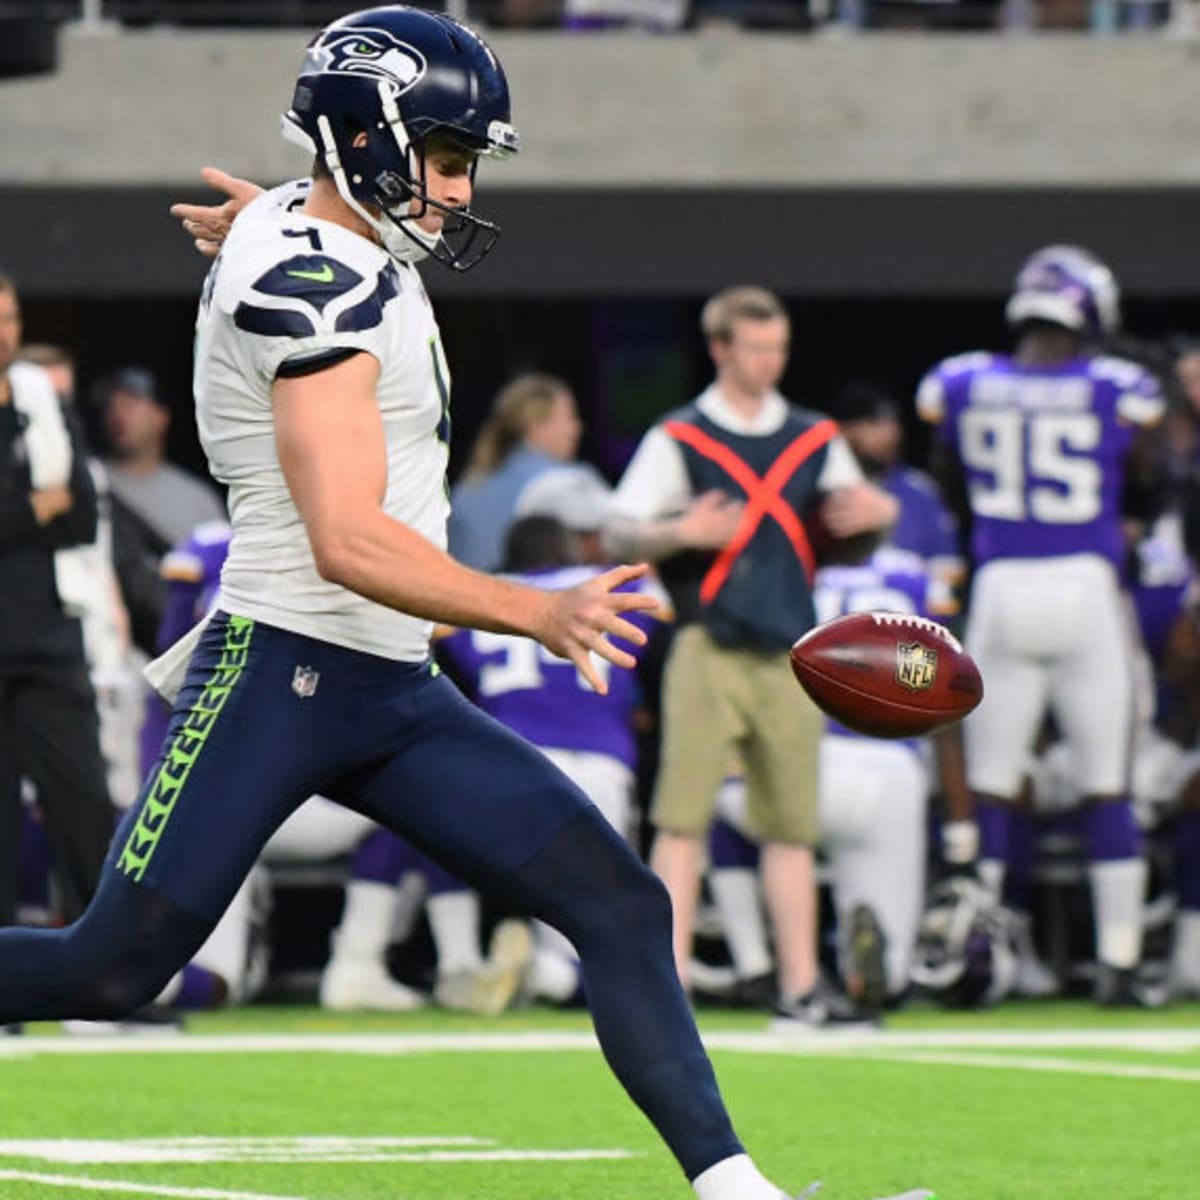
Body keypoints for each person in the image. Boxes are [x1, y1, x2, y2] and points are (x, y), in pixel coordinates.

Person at [0, 11, 929, 1200]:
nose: (460, 187)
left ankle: (736, 1191)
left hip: (384, 687)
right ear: (369, 145)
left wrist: (261, 224)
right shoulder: (311, 285)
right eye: (445, 156)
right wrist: (528, 611)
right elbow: (345, 540)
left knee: (620, 903)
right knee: (110, 970)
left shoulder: (301, 222)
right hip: (283, 666)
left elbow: (300, 221)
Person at [604, 285, 899, 1028]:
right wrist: (678, 534)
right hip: (709, 640)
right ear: (722, 349)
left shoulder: (811, 434)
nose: (770, 363)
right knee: (680, 820)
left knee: (792, 826)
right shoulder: (683, 435)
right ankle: (665, 984)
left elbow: (852, 521)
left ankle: (799, 984)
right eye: (757, 348)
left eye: (779, 349)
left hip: (790, 651)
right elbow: (618, 530)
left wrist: (876, 514)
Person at [916, 244, 1166, 1007]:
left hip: (1001, 584)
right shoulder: (1119, 387)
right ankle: (1118, 960)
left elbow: (948, 481)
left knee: (990, 786)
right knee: (1107, 783)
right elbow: (1150, 482)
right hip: (1085, 585)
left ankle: (977, 954)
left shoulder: (960, 381)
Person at [439, 512, 669, 1005]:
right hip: (598, 768)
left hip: (510, 762)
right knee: (597, 908)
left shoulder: (490, 594)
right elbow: (666, 628)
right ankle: (554, 973)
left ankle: (457, 962)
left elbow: (431, 637)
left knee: (430, 829)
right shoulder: (599, 588)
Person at [0, 273, 116, 940]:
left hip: (49, 631)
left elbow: (77, 513)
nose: (6, 333)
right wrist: (32, 507)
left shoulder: (42, 396)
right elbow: (49, 504)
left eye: (12, 318)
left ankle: (105, 976)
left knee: (84, 806)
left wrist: (26, 512)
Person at [97, 365, 225, 656]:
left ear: (160, 416)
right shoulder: (93, 482)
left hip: (180, 645)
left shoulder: (196, 497)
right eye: (112, 407)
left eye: (130, 405)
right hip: (111, 645)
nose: (118, 415)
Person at [447, 372, 600, 572]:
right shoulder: (567, 483)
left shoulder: (463, 492)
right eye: (570, 416)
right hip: (536, 600)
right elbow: (625, 538)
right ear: (537, 425)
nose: (577, 428)